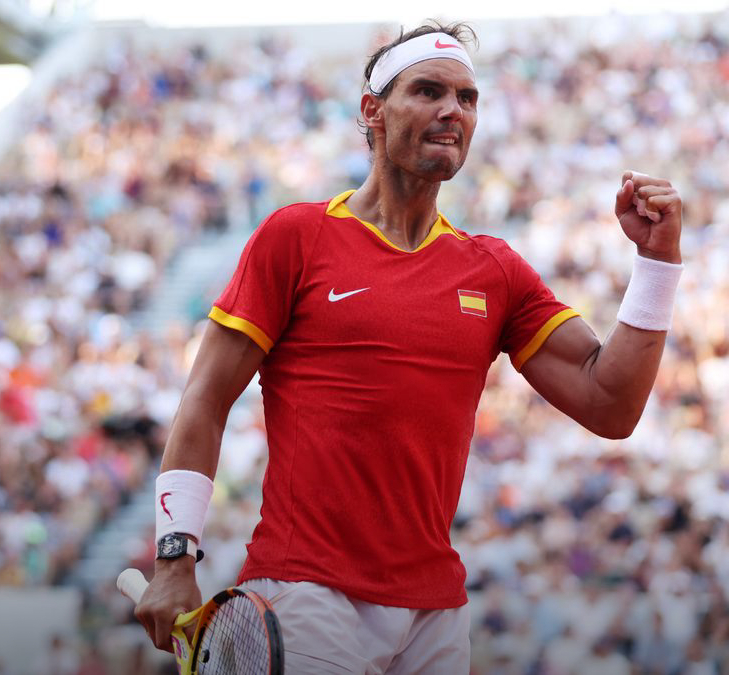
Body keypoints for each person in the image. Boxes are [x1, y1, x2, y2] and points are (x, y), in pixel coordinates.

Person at [134, 22, 684, 674]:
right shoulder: (296, 237)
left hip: (436, 616)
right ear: (373, 110)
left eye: (468, 98)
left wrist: (657, 262)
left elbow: (611, 404)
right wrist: (175, 559)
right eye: (428, 91)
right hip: (306, 595)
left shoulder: (495, 270)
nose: (453, 110)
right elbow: (204, 400)